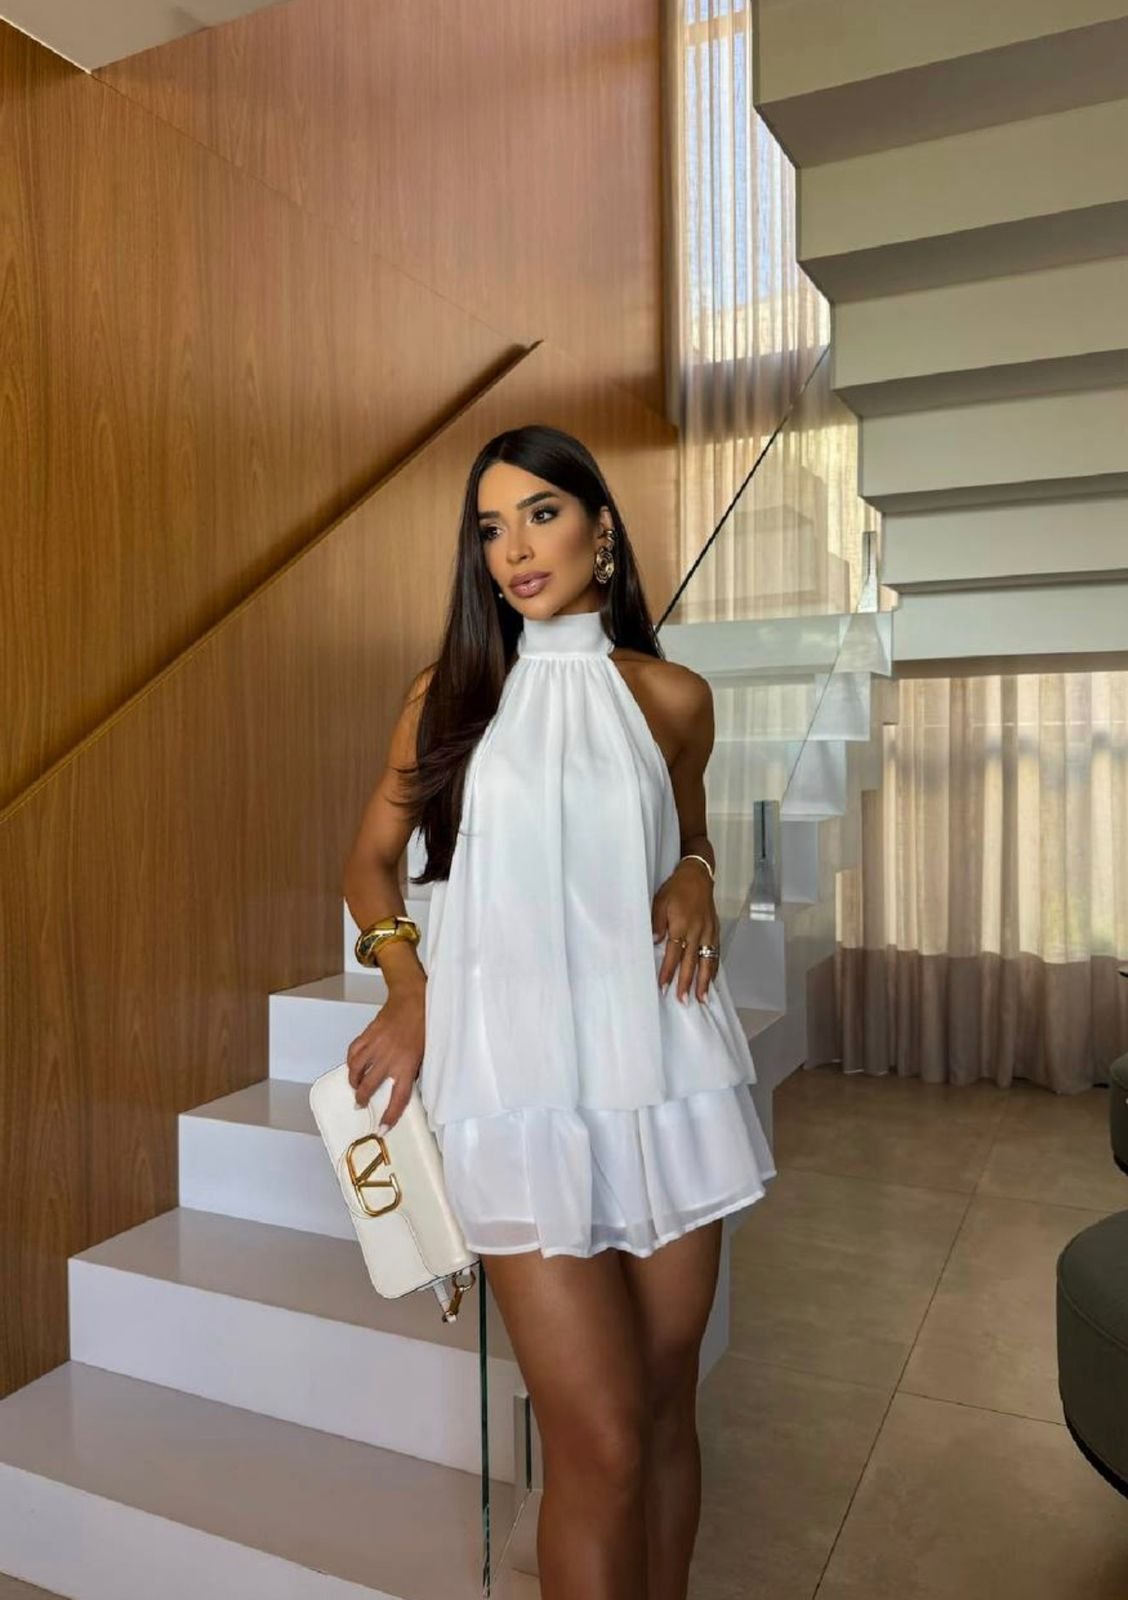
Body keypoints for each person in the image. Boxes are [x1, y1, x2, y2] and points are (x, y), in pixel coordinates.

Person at [342, 423, 776, 1600]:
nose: (516, 548)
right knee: (602, 1438)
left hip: (664, 1071)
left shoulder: (672, 696)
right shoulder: (449, 697)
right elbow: (368, 864)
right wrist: (409, 986)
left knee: (668, 1406)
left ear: (601, 529)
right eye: (492, 528)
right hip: (516, 1087)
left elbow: (688, 832)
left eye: (541, 513)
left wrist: (697, 872)